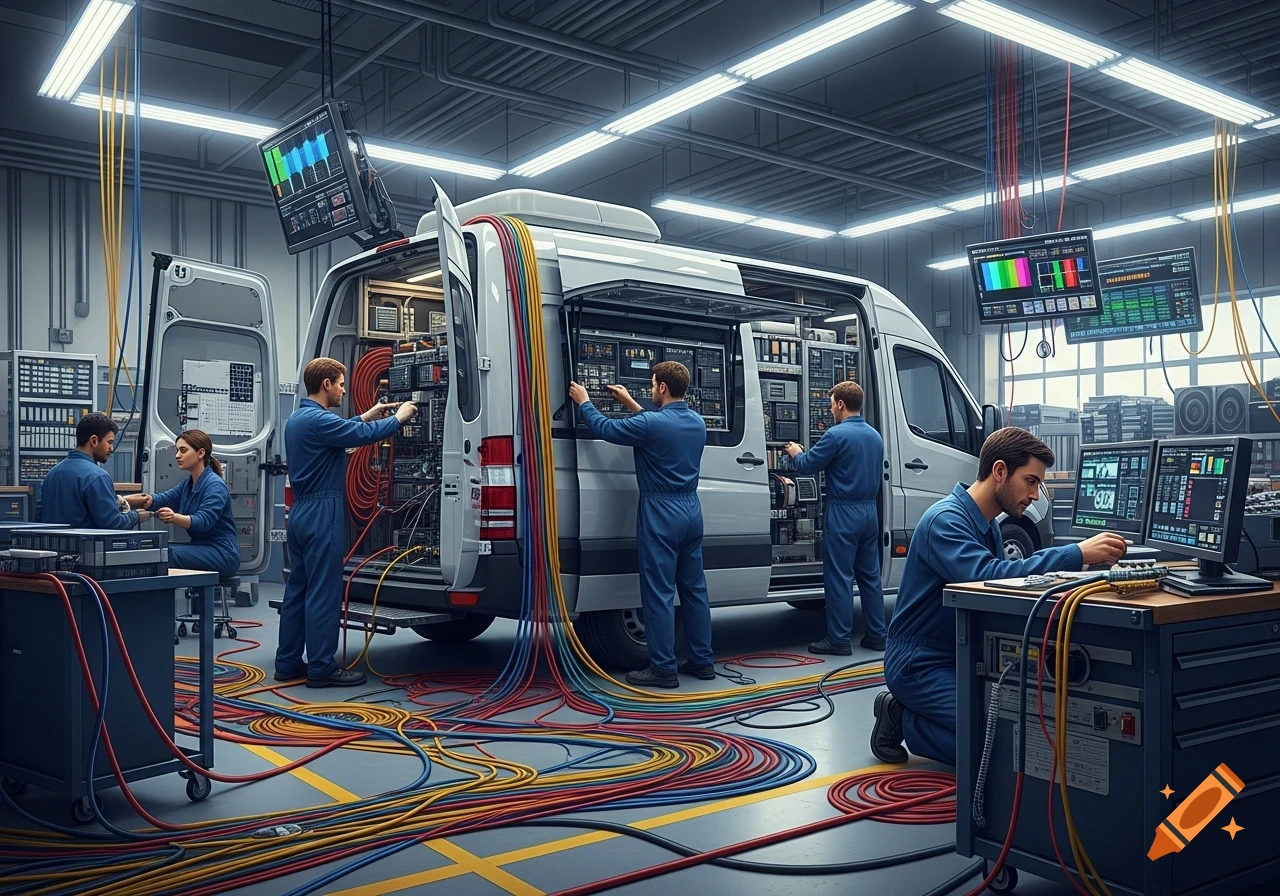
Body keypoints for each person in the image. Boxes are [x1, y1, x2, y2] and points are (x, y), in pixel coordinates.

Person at [870, 427, 1127, 767]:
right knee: (998, 746)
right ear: (1000, 471)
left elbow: (1008, 579)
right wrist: (1076, 554)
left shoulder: (986, 523)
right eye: (1031, 481)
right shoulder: (944, 521)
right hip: (920, 665)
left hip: (957, 657)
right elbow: (989, 577)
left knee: (1014, 730)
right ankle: (901, 716)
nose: (1036, 494)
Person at [568, 361, 714, 689]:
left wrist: (584, 401)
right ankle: (702, 662)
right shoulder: (697, 422)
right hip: (691, 510)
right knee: (694, 589)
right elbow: (656, 425)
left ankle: (663, 669)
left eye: (652, 386)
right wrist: (632, 404)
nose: (650, 391)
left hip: (661, 512)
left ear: (662, 387)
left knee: (659, 592)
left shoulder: (651, 424)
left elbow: (605, 429)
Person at [274, 357, 416, 689]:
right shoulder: (320, 420)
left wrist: (367, 414)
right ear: (326, 384)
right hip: (323, 512)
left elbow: (343, 433)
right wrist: (398, 418)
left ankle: (288, 662)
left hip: (301, 514)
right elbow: (360, 435)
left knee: (298, 589)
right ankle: (322, 667)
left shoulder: (298, 419)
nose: (342, 390)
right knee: (324, 592)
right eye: (339, 384)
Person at [785, 380, 885, 655]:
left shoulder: (835, 436)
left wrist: (796, 453)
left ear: (841, 404)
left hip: (844, 512)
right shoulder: (875, 436)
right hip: (869, 512)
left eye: (831, 405)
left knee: (839, 577)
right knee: (870, 576)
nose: (830, 411)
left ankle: (839, 640)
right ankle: (877, 635)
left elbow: (807, 466)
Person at [131, 430, 240, 578]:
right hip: (200, 547)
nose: (177, 456)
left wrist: (173, 517)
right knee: (157, 550)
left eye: (183, 450)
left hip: (222, 554)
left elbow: (203, 521)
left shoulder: (215, 485)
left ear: (200, 453)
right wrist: (122, 501)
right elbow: (159, 500)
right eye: (177, 451)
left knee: (164, 555)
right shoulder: (188, 484)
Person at [42, 412, 151, 529]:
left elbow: (40, 516)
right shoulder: (97, 477)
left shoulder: (51, 475)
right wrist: (135, 516)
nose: (111, 449)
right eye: (109, 442)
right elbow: (113, 523)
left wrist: (121, 501)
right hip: (85, 547)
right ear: (94, 441)